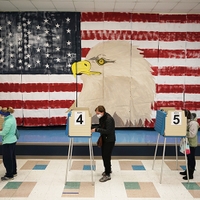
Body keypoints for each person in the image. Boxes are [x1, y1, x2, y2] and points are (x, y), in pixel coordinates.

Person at [91, 105, 116, 182]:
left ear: (102, 112)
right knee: (105, 156)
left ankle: (108, 174)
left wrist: (97, 130)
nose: (97, 115)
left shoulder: (109, 119)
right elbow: (101, 126)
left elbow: (108, 131)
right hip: (105, 139)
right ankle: (108, 170)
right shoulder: (103, 118)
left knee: (106, 156)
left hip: (109, 140)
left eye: (98, 113)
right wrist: (93, 127)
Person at [180, 109, 199, 180]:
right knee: (188, 157)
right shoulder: (188, 121)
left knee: (191, 158)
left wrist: (183, 132)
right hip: (187, 143)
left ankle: (191, 174)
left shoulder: (193, 123)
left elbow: (192, 134)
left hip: (191, 143)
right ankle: (187, 171)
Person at [0, 107, 17, 181]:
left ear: (4, 114)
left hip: (8, 142)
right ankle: (13, 171)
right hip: (13, 140)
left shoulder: (8, 121)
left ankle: (9, 175)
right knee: (12, 157)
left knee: (7, 159)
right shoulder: (12, 118)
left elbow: (4, 133)